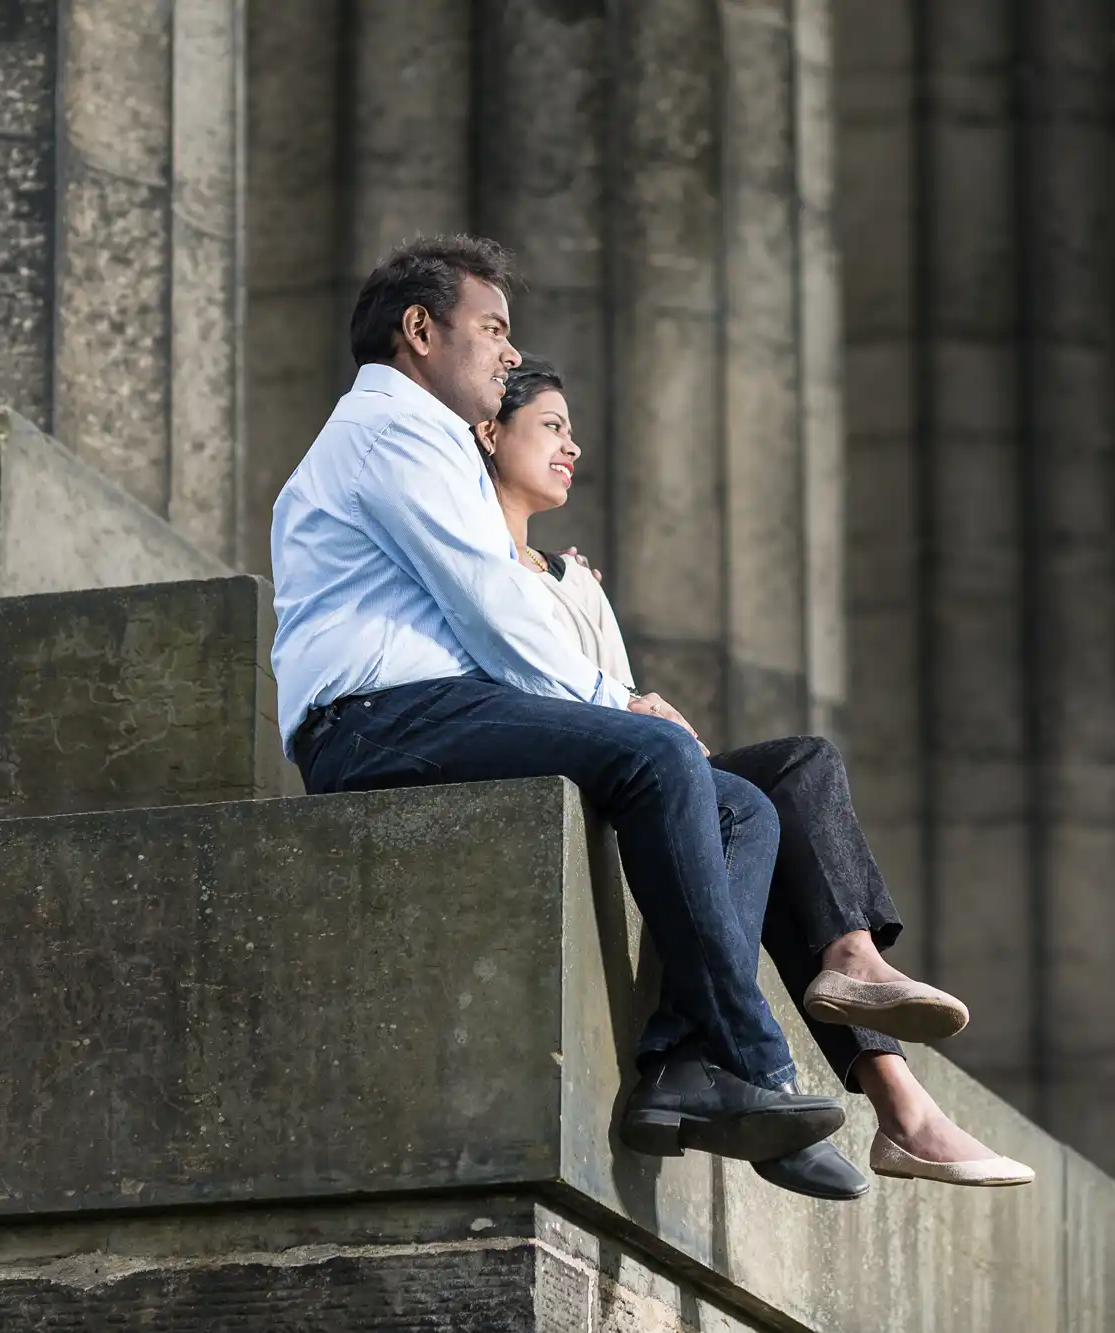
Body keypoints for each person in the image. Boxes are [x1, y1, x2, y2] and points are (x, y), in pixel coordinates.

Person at [271, 235, 845, 1168]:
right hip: (374, 722)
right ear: (419, 330)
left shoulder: (433, 444)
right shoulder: (388, 432)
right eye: (492, 328)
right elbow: (490, 605)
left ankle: (679, 1063)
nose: (507, 353)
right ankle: (758, 1067)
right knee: (658, 756)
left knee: (741, 804)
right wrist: (619, 707)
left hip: (435, 706)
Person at [472, 356, 1035, 1196]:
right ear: (490, 432)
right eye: (551, 426)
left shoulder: (575, 580)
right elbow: (546, 698)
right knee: (753, 809)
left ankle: (860, 982)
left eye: (571, 430)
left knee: (802, 768)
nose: (572, 447)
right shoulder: (463, 557)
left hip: (636, 772)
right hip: (568, 773)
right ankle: (882, 1095)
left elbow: (620, 691)